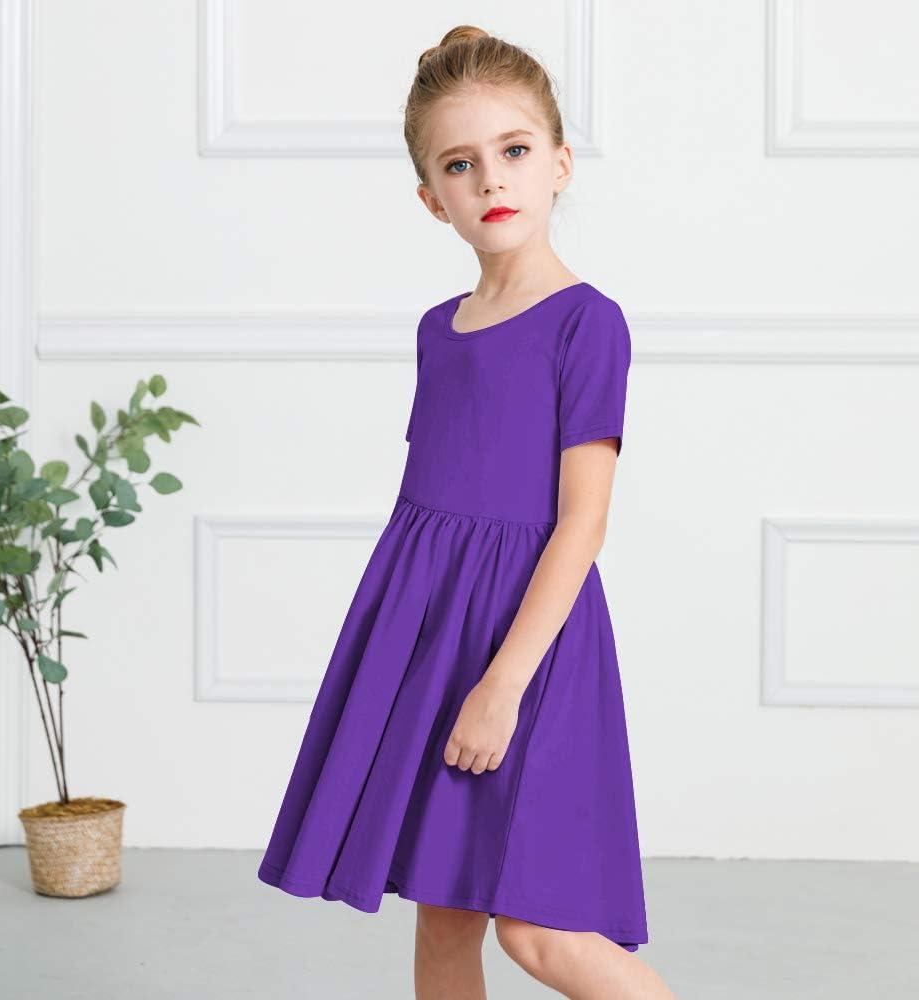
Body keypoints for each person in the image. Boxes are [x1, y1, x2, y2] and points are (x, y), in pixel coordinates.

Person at [258, 24, 678, 1000]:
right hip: (432, 637)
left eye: (514, 150)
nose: (491, 179)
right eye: (460, 163)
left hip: (530, 646)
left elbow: (582, 522)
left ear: (559, 163)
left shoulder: (587, 323)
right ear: (430, 197)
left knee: (537, 932)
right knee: (443, 915)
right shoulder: (435, 332)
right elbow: (432, 511)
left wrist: (502, 685)